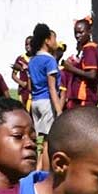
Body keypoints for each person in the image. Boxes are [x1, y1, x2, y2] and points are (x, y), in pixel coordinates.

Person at [27, 23, 62, 171]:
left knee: (39, 142)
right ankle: (45, 175)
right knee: (48, 142)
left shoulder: (32, 60)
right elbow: (52, 88)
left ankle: (37, 170)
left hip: (34, 102)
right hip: (47, 102)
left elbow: (30, 87)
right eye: (54, 39)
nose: (56, 42)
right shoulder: (50, 61)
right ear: (47, 41)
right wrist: (59, 111)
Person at [62, 17, 98, 110]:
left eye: (81, 32)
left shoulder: (90, 49)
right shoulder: (83, 49)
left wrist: (71, 68)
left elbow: (92, 74)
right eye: (76, 33)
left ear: (89, 31)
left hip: (85, 97)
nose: (77, 35)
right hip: (77, 98)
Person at [11, 36, 32, 107]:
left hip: (32, 90)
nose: (28, 46)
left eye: (30, 44)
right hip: (23, 90)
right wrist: (21, 83)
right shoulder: (20, 59)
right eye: (26, 44)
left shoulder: (36, 58)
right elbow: (13, 75)